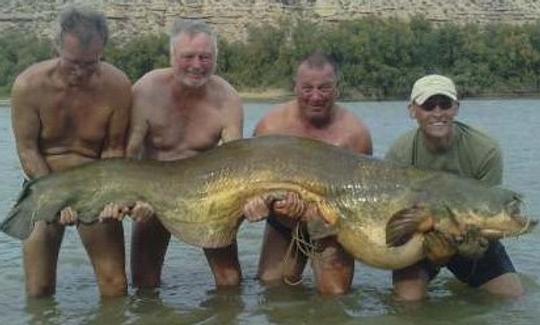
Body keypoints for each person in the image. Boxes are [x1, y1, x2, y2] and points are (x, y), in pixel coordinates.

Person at [10, 6, 132, 297]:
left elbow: (114, 148)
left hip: (96, 184)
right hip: (44, 183)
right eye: (73, 63)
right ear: (57, 47)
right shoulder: (28, 85)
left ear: (103, 51)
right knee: (38, 290)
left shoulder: (117, 86)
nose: (80, 73)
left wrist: (106, 197)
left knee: (115, 287)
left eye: (91, 64)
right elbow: (27, 150)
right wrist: (57, 197)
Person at [126, 19, 244, 289]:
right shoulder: (145, 90)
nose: (197, 64)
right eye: (188, 56)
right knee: (144, 284)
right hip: (152, 193)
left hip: (207, 195)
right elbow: (128, 154)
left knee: (230, 281)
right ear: (172, 57)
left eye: (205, 57)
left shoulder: (228, 98)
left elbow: (237, 161)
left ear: (215, 58)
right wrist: (135, 199)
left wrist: (244, 205)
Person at [242, 52, 373, 295]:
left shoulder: (355, 135)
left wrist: (315, 216)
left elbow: (358, 202)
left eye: (324, 88)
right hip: (283, 222)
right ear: (295, 88)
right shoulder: (271, 128)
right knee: (271, 288)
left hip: (331, 226)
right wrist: (259, 206)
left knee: (335, 297)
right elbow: (253, 185)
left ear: (337, 89)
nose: (315, 96)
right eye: (307, 88)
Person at [385, 74, 523, 301]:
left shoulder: (485, 150)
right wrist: (434, 248)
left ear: (456, 107)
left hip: (470, 237)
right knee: (409, 303)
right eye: (428, 105)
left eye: (445, 104)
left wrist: (471, 246)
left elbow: (490, 214)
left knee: (512, 298)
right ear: (413, 111)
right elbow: (397, 218)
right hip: (420, 238)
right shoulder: (400, 153)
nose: (438, 112)